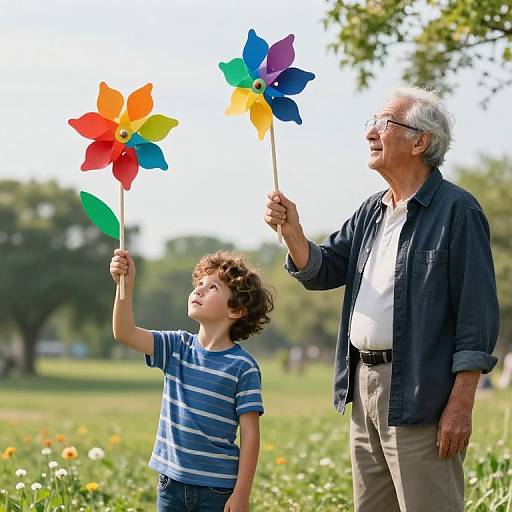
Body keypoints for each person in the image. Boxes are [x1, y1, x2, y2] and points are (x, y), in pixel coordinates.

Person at [264, 86, 500, 512]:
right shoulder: (371, 211)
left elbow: (476, 317)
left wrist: (461, 403)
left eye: (382, 124)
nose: (369, 134)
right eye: (370, 124)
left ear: (420, 141)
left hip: (422, 391)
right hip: (364, 385)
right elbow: (322, 269)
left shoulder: (458, 212)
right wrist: (292, 231)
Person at [110, 249, 273, 512]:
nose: (199, 290)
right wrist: (125, 286)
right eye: (199, 285)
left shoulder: (243, 367)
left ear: (236, 310)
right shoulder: (176, 347)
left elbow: (250, 434)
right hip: (170, 484)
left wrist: (242, 494)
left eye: (212, 288)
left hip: (218, 489)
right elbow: (125, 333)